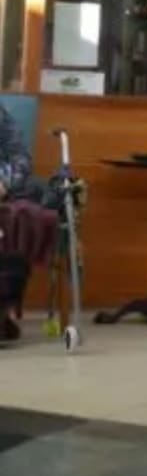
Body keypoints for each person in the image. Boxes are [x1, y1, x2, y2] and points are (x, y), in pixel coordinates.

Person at [0, 104, 59, 341]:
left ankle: (2, 308)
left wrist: (5, 183)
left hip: (5, 192)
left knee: (22, 217)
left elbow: (20, 156)